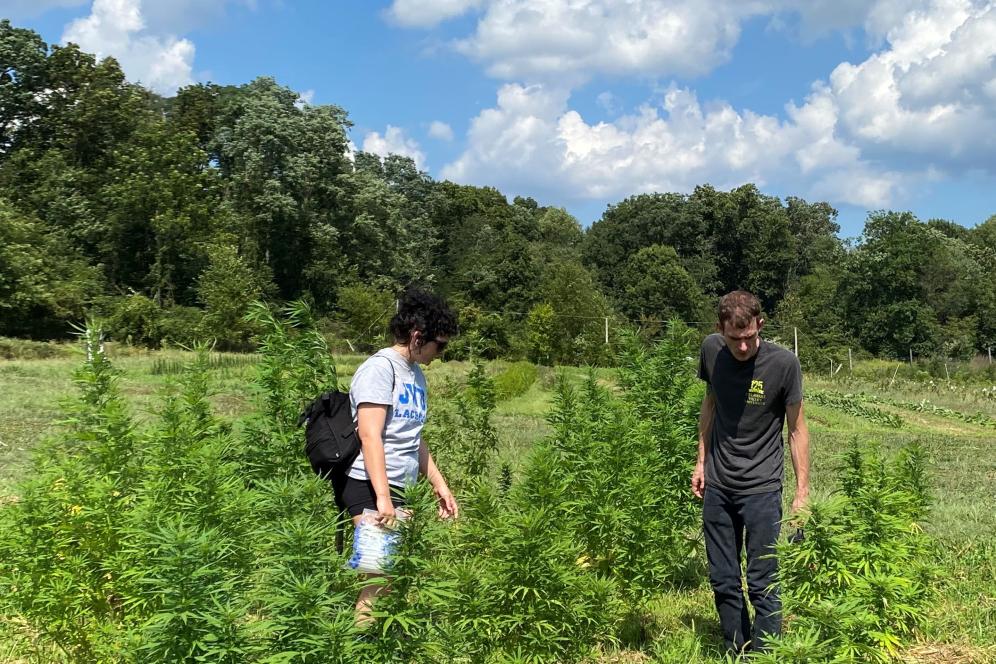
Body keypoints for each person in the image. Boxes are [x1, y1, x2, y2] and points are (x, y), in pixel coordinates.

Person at [691, 290, 810, 655]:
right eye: (734, 339)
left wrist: (801, 492)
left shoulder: (783, 364)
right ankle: (735, 648)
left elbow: (797, 429)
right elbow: (709, 404)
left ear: (760, 324)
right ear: (719, 329)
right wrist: (701, 461)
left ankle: (765, 652)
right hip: (719, 484)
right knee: (723, 578)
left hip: (761, 488)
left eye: (749, 338)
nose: (742, 347)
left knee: (763, 580)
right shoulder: (711, 350)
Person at [343, 287, 459, 623]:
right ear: (418, 336)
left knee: (394, 575)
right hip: (369, 484)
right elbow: (370, 435)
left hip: (399, 487)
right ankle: (361, 648)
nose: (442, 352)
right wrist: (383, 499)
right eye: (441, 344)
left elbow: (413, 437)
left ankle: (381, 644)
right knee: (378, 578)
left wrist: (440, 485)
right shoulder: (380, 369)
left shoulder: (416, 374)